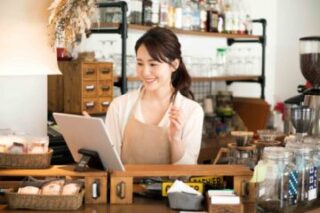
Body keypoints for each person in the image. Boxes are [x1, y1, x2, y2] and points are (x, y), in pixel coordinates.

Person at [105, 27, 204, 165]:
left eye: (153, 64)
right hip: (125, 186)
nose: (145, 72)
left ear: (174, 65)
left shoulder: (192, 111)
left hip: (170, 187)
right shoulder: (119, 106)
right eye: (140, 63)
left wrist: (175, 139)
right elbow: (110, 163)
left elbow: (185, 175)